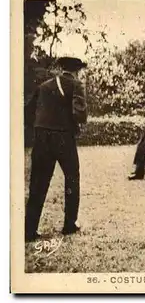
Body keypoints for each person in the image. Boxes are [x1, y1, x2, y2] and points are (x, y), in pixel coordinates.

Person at [24, 56, 88, 242]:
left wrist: (40, 127)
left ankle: (29, 230)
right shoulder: (76, 84)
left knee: (38, 182)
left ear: (61, 69)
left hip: (41, 136)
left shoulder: (44, 86)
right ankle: (69, 224)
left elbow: (28, 112)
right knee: (72, 178)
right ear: (76, 71)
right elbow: (80, 114)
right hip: (63, 137)